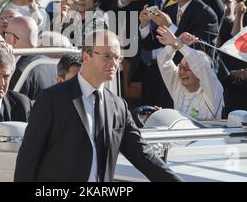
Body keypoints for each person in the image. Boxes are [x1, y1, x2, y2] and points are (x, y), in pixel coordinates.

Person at [14, 29, 182, 182]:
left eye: (117, 57)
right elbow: (28, 158)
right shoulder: (52, 98)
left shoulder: (118, 106)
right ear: (86, 57)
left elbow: (142, 154)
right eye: (107, 56)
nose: (114, 63)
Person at [156, 28, 224, 120]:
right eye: (180, 66)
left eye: (187, 68)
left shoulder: (214, 89)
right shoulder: (178, 83)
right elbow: (163, 60)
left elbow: (201, 66)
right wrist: (175, 44)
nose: (181, 71)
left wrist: (178, 44)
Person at [5, 16, 57, 100]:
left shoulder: (20, 70)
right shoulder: (52, 63)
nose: (4, 38)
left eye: (5, 34)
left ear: (12, 39)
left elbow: (10, 106)